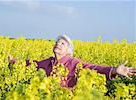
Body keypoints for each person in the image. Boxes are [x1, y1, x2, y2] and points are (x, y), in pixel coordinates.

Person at [8, 34, 136, 88]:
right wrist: (13, 61)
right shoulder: (48, 62)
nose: (58, 44)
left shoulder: (73, 63)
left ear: (68, 50)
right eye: (57, 42)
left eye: (62, 44)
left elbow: (93, 68)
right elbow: (31, 64)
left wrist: (114, 70)